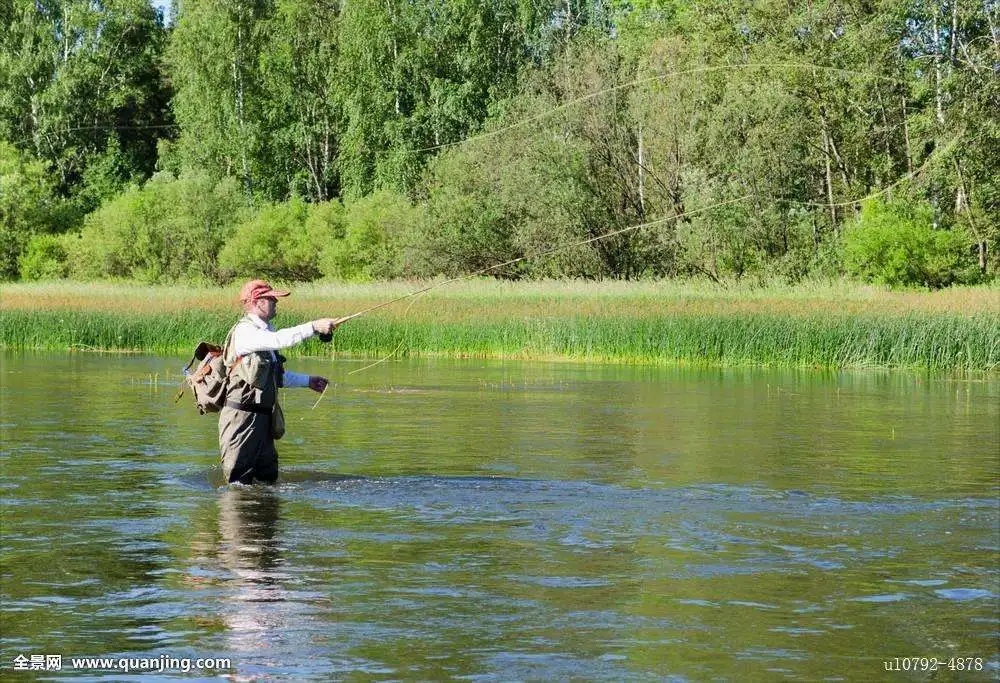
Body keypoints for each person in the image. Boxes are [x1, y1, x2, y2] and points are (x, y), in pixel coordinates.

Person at [219, 279, 344, 485]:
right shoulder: (245, 332)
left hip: (265, 419)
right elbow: (279, 340)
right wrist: (314, 326)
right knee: (237, 484)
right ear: (257, 302)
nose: (276, 302)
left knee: (268, 480)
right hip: (241, 419)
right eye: (271, 298)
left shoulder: (266, 331)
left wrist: (308, 381)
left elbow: (276, 376)